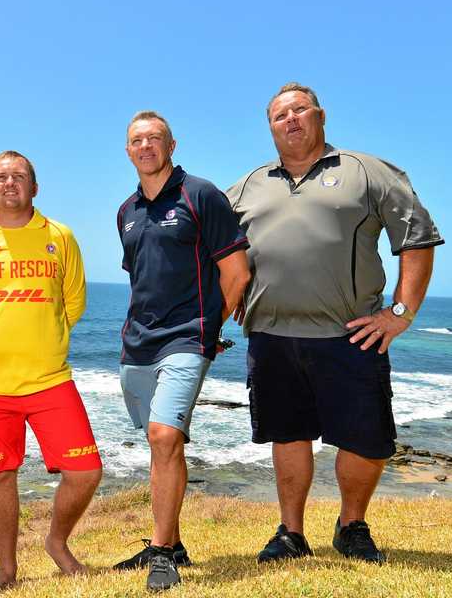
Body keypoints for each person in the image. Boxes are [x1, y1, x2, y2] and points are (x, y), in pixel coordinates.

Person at [227, 82, 443, 565]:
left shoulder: (367, 172)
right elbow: (217, 252)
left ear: (320, 116)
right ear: (270, 127)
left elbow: (417, 237)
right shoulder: (246, 187)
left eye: (300, 110)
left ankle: (351, 525)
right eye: (280, 115)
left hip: (351, 335)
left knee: (366, 437)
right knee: (287, 435)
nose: (291, 120)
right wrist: (230, 296)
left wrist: (400, 313)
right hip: (272, 337)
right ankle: (290, 533)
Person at [0, 150, 103, 589]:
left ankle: (56, 541)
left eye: (19, 176)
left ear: (35, 187)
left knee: (86, 470)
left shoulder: (60, 236)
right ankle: (7, 569)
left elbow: (73, 303)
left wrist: (40, 339)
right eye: (0, 177)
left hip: (50, 379)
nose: (9, 183)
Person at [115, 112, 250, 591]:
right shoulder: (126, 211)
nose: (145, 146)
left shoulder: (201, 194)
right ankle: (172, 540)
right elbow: (141, 276)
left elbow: (236, 271)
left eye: (154, 138)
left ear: (172, 144)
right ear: (127, 151)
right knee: (159, 443)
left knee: (164, 436)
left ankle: (163, 552)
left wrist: (209, 330)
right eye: (137, 140)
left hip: (187, 336)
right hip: (138, 343)